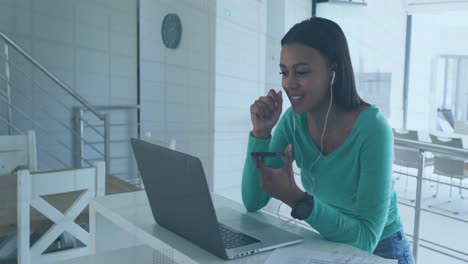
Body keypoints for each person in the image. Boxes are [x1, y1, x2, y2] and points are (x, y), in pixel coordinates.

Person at [242, 17, 415, 264]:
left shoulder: (373, 129)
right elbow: (253, 201)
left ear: (333, 71)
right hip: (330, 243)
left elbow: (366, 239)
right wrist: (261, 134)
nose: (290, 83)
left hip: (383, 252)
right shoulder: (292, 122)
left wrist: (298, 200)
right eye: (284, 72)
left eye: (301, 72)